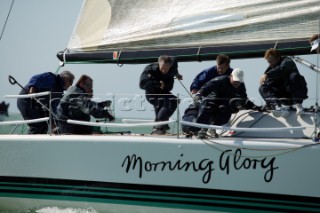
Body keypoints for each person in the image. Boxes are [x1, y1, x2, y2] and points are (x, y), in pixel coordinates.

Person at [194, 68, 260, 139]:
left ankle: (212, 128)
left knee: (226, 114)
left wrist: (256, 107)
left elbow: (244, 99)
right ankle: (202, 130)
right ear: (231, 76)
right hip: (212, 101)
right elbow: (207, 86)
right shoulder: (221, 80)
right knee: (207, 106)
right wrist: (199, 94)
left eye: (239, 81)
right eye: (235, 81)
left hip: (224, 105)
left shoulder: (241, 86)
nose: (237, 83)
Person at [259, 48, 308, 117]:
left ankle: (298, 105)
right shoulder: (271, 67)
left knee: (294, 76)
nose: (270, 64)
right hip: (282, 95)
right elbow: (268, 84)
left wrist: (267, 74)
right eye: (268, 62)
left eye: (271, 61)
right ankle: (277, 106)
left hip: (295, 93)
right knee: (263, 87)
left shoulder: (287, 61)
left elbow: (281, 69)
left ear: (278, 58)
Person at [139, 55, 181, 135]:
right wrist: (157, 84)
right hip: (152, 93)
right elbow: (142, 84)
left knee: (174, 101)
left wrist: (177, 75)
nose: (164, 70)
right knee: (162, 102)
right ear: (158, 64)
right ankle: (159, 126)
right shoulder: (150, 69)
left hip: (165, 92)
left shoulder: (173, 66)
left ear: (170, 66)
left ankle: (161, 126)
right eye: (162, 68)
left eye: (166, 68)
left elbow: (175, 69)